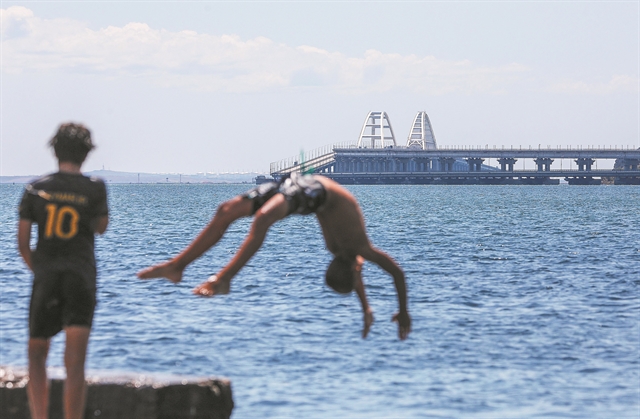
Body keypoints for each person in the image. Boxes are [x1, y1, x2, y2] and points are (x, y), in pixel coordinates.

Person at [138, 172, 411, 340]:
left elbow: (358, 276)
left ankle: (222, 278)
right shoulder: (362, 249)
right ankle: (178, 266)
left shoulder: (344, 254)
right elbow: (396, 273)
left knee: (261, 220)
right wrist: (402, 311)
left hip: (310, 194)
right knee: (226, 211)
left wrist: (366, 308)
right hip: (309, 189)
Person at [17, 123, 109, 419]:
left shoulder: (36, 188)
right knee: (75, 361)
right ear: (86, 154)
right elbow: (102, 227)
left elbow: (22, 243)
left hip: (47, 277)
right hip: (81, 277)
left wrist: (40, 269)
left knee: (37, 353)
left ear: (54, 150)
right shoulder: (95, 187)